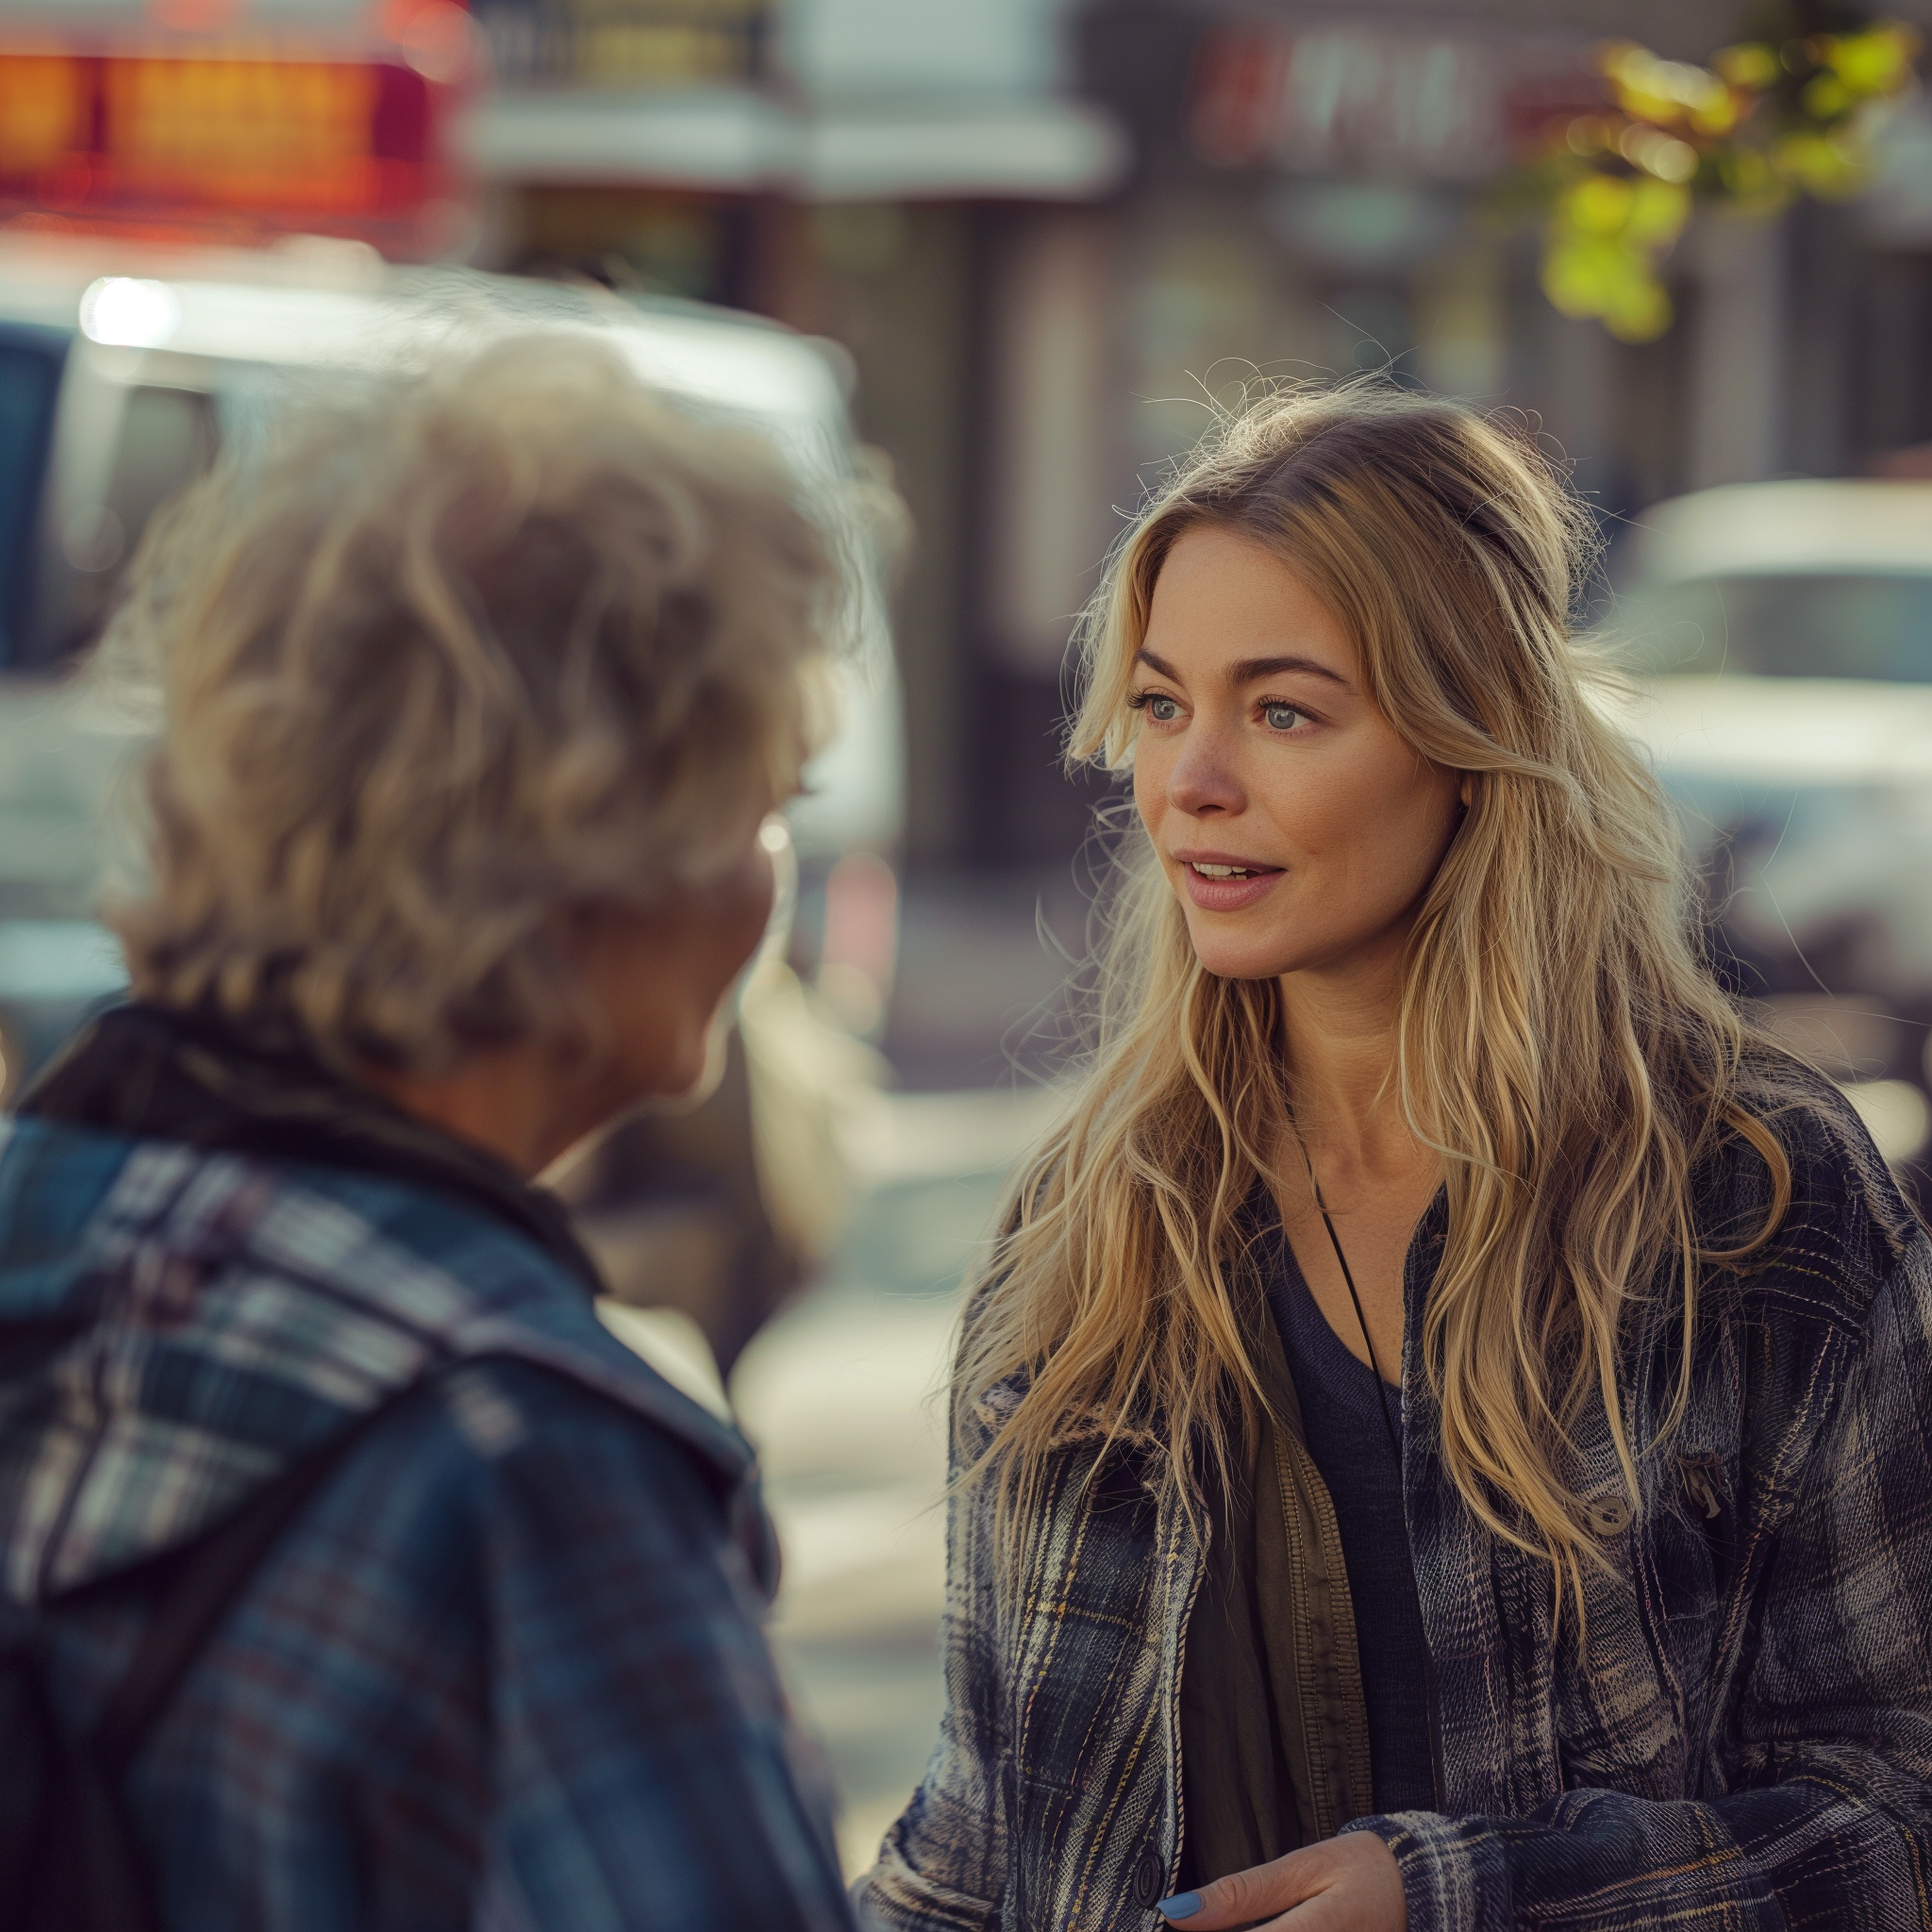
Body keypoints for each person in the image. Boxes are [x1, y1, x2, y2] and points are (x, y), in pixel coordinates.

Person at [855, 386, 1932, 1932]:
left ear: (1471, 735)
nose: (1191, 782)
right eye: (1162, 705)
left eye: (1283, 711)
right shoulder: (1094, 1223)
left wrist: (1468, 1903)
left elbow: (1902, 1811)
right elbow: (987, 1841)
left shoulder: (1753, 1201)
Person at [0, 336, 860, 1930]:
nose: (769, 877)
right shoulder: (534, 1481)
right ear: (600, 857)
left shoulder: (44, 1212)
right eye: (763, 801)